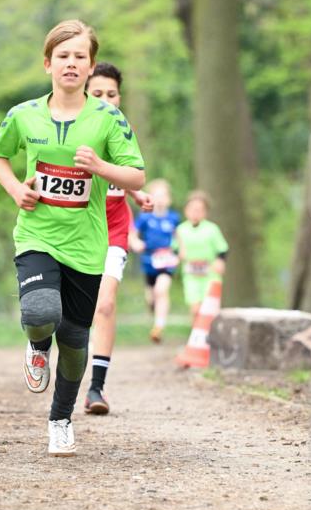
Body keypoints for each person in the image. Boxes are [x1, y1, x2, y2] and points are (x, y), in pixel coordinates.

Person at [0, 19, 145, 457]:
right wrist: (16, 188)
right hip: (37, 233)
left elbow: (137, 174)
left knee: (75, 342)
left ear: (91, 67)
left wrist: (101, 168)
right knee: (40, 313)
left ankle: (60, 419)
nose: (71, 63)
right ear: (47, 63)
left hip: (87, 246)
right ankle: (37, 346)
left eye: (79, 56)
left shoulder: (108, 119)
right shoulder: (23, 115)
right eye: (63, 56)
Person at [83, 62, 152, 414]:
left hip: (115, 228)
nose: (106, 101)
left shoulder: (122, 131)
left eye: (111, 94)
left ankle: (96, 388)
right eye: (97, 94)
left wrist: (138, 196)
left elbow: (129, 174)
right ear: (84, 94)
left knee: (106, 304)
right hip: (79, 229)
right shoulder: (73, 129)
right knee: (73, 309)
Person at [130, 179, 180, 343]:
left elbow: (179, 237)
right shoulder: (145, 218)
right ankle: (154, 309)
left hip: (166, 262)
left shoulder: (173, 218)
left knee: (161, 290)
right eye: (156, 196)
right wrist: (136, 243)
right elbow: (134, 234)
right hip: (149, 262)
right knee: (151, 298)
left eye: (163, 196)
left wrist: (179, 253)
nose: (160, 199)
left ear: (169, 199)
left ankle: (159, 327)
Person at [176, 190, 228, 323]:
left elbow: (222, 249)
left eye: (199, 210)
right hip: (191, 276)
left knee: (210, 309)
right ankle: (197, 337)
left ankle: (211, 339)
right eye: (192, 209)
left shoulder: (212, 229)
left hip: (210, 275)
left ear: (205, 212)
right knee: (195, 309)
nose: (195, 213)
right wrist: (177, 256)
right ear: (186, 210)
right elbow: (174, 250)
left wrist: (220, 261)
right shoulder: (181, 230)